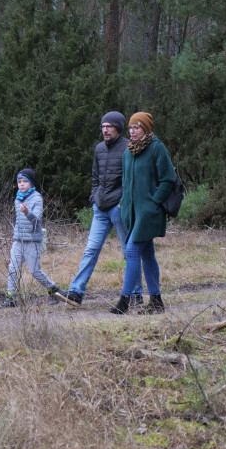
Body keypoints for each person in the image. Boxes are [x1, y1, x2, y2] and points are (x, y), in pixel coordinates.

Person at [64, 111, 142, 307]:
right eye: (103, 126)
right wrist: (94, 198)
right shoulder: (99, 149)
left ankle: (136, 294)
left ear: (118, 127)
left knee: (128, 251)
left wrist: (122, 203)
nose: (105, 130)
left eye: (109, 126)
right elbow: (95, 178)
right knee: (90, 249)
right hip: (100, 208)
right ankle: (76, 292)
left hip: (118, 209)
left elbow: (130, 180)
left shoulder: (128, 147)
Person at [111, 112, 176, 315]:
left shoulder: (157, 148)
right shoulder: (128, 152)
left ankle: (124, 300)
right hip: (131, 213)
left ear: (145, 128)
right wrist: (124, 203)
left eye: (136, 127)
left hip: (149, 213)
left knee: (131, 251)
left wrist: (154, 202)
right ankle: (156, 302)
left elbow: (168, 179)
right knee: (147, 255)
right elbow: (125, 182)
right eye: (130, 128)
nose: (132, 131)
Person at [0, 168, 61, 308]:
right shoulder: (18, 198)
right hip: (18, 240)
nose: (21, 184)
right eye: (19, 182)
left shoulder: (37, 198)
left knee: (34, 271)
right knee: (12, 268)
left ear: (31, 183)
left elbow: (37, 220)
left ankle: (53, 291)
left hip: (33, 241)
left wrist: (27, 212)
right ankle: (11, 298)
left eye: (25, 181)